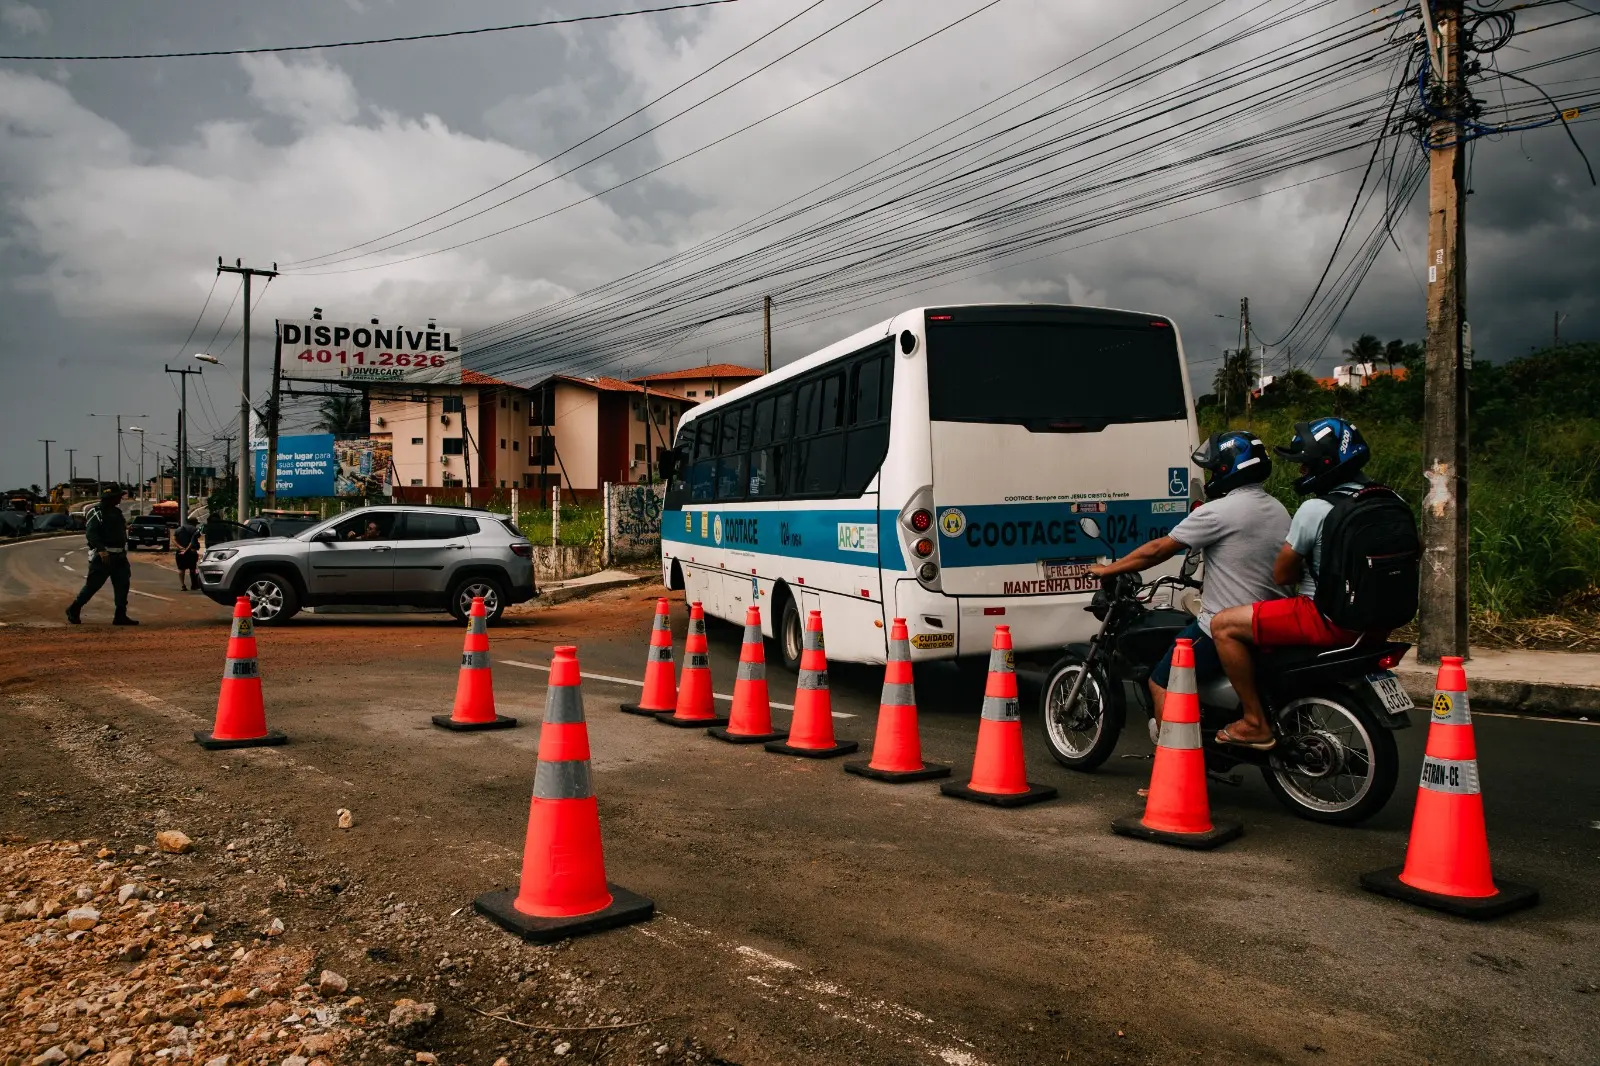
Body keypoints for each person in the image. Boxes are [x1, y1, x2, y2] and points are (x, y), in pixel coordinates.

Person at [1088, 430, 1289, 743]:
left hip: (1225, 623)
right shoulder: (1276, 507)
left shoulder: (1217, 511)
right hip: (1269, 619)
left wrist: (1109, 569)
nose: (1210, 475)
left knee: (1162, 681)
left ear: (1226, 469)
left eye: (1213, 468)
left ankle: (1176, 764)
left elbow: (1157, 550)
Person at [1207, 417, 1380, 749]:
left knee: (1223, 625)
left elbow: (1283, 575)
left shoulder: (1314, 508)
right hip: (1378, 620)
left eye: (1306, 465)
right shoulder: (1386, 499)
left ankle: (1255, 721)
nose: (1302, 473)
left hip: (1325, 617)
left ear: (1327, 464)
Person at [66, 486, 138, 625]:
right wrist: (101, 550)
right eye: (117, 496)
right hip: (103, 555)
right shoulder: (96, 512)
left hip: (119, 555)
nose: (120, 499)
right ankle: (74, 609)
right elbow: (91, 533)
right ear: (110, 498)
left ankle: (120, 615)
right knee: (93, 585)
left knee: (123, 584)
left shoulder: (116, 512)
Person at [174, 515, 202, 591]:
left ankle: (183, 585)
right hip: (191, 552)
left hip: (180, 552)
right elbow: (193, 541)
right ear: (194, 523)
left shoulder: (178, 529)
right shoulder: (195, 530)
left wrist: (180, 547)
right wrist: (187, 549)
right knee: (193, 569)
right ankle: (194, 585)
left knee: (181, 569)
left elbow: (174, 539)